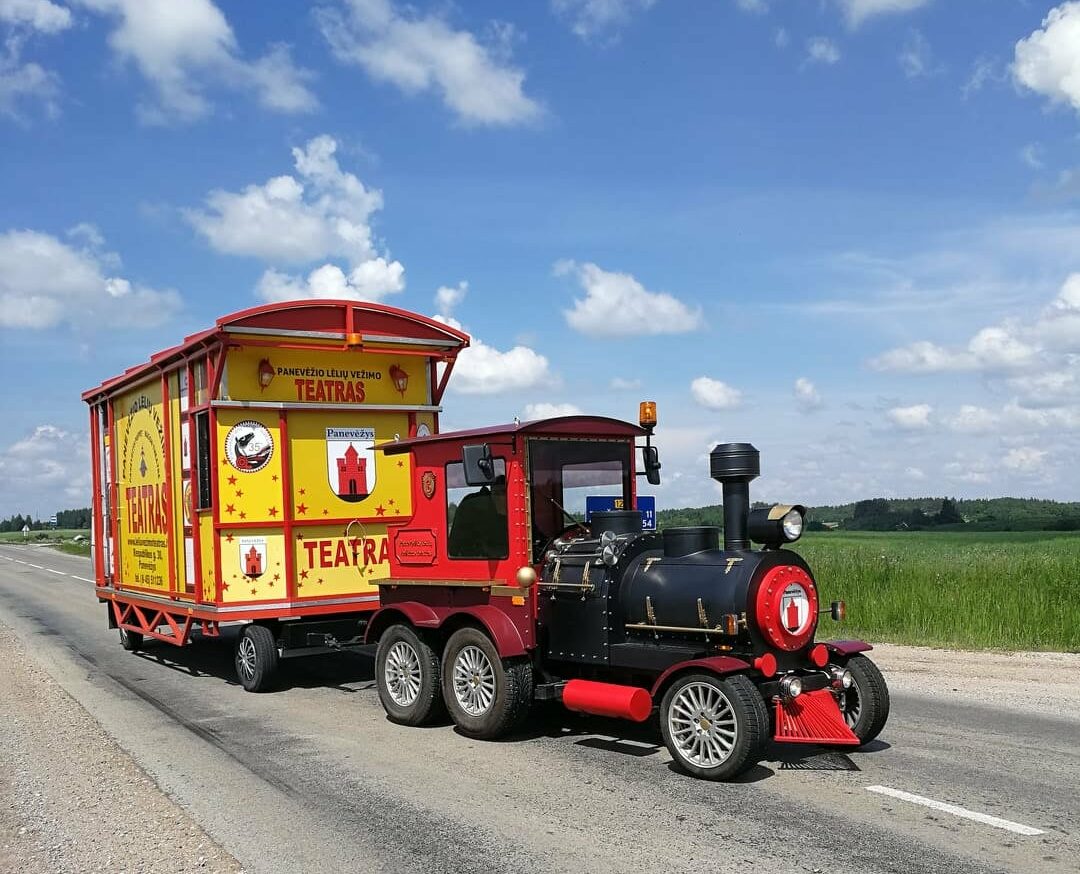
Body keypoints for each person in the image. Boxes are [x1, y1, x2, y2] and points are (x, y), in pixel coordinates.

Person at [448, 475, 508, 558]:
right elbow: (454, 548)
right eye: (497, 493)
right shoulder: (471, 508)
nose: (501, 498)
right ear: (491, 494)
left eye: (504, 493)